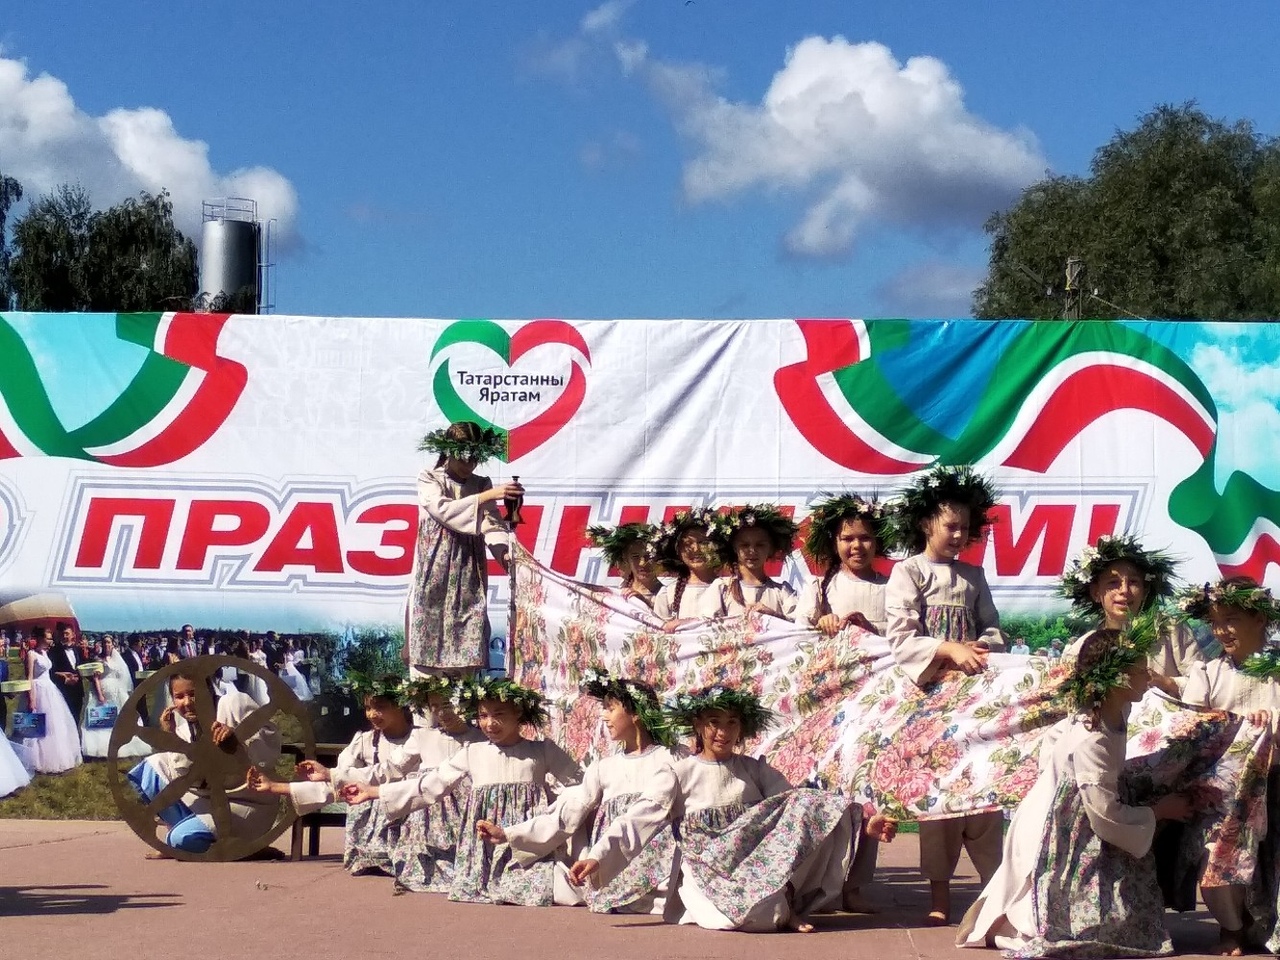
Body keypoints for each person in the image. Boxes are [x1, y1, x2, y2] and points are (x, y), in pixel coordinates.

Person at [957, 627, 1193, 956]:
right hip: (1063, 823)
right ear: (1118, 680)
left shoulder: (1112, 709)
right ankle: (1015, 926)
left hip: (1079, 808)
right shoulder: (1093, 738)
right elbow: (1104, 811)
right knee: (1076, 919)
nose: (1149, 675)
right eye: (1141, 670)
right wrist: (1158, 810)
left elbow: (1056, 742)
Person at [606, 684, 895, 932]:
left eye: (732, 723)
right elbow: (639, 815)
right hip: (708, 869)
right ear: (698, 725)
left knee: (809, 803)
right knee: (743, 917)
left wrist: (861, 822)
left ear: (742, 728)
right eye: (714, 722)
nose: (723, 732)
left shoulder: (753, 770)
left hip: (756, 866)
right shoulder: (679, 773)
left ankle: (785, 898)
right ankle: (778, 907)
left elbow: (799, 806)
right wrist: (598, 857)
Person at [885, 465, 1005, 926]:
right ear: (926, 524)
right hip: (929, 698)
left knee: (983, 786)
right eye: (950, 526)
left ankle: (993, 889)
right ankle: (940, 895)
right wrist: (948, 649)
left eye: (964, 528)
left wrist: (982, 646)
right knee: (938, 795)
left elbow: (992, 628)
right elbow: (901, 637)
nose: (958, 535)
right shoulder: (908, 572)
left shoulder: (974, 576)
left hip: (972, 697)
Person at [343, 677, 583, 905]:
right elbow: (430, 785)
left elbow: (580, 784)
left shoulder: (541, 751)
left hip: (528, 842)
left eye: (499, 714)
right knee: (495, 886)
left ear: (518, 712)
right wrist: (374, 792)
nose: (490, 723)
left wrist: (555, 814)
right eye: (483, 716)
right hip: (485, 846)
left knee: (551, 887)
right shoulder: (473, 751)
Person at [481, 670, 681, 914]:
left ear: (636, 713)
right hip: (612, 861)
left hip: (657, 862)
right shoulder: (604, 767)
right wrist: (509, 833)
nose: (604, 716)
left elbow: (657, 810)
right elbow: (568, 812)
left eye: (610, 709)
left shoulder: (671, 757)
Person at [1174, 577, 1280, 956]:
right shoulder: (1207, 673)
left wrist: (1272, 723)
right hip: (1222, 792)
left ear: (1259, 619)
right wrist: (1227, 722)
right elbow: (1188, 725)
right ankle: (1230, 926)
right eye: (1216, 622)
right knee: (1216, 852)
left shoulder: (1277, 669)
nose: (1221, 630)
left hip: (1275, 783)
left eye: (1231, 619)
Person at [246, 672, 424, 877]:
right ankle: (372, 854)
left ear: (400, 705)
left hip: (411, 808)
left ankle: (405, 855)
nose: (372, 714)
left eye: (380, 707)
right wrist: (276, 786)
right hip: (375, 809)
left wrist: (330, 774)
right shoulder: (365, 741)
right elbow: (339, 783)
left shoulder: (419, 738)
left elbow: (388, 771)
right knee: (355, 790)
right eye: (368, 708)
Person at [126, 673, 282, 856]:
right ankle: (185, 832)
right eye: (179, 697)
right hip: (208, 800)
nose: (187, 702)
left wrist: (236, 738)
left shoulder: (233, 704)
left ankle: (247, 847)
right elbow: (187, 774)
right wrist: (171, 737)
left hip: (245, 802)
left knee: (180, 839)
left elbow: (269, 748)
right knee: (150, 767)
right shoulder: (184, 728)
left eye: (193, 694)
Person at [405, 421, 517, 676]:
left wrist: (504, 554)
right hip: (434, 573)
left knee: (468, 632)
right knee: (427, 643)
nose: (469, 465)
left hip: (468, 575)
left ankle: (463, 692)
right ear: (449, 451)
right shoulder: (429, 478)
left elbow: (492, 524)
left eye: (475, 459)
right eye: (464, 457)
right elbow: (443, 510)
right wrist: (488, 496)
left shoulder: (480, 483)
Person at [1056, 535, 1191, 682]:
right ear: (1096, 593)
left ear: (1145, 590)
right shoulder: (1081, 649)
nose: (1124, 590)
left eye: (1133, 582)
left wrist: (1167, 683)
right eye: (1113, 582)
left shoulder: (1170, 630)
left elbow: (1202, 681)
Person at [795, 494, 894, 636]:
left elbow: (906, 631)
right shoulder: (819, 587)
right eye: (847, 539)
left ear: (877, 543)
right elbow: (799, 633)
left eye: (865, 538)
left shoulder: (893, 587)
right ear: (834, 545)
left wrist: (872, 628)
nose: (857, 545)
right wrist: (822, 623)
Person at [700, 505, 799, 621]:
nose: (752, 551)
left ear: (771, 549)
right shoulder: (722, 588)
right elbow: (706, 625)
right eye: (745, 545)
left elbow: (800, 625)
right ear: (734, 548)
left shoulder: (782, 592)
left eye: (760, 545)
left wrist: (774, 616)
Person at [22, 629, 83, 774]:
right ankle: (36, 759)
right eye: (48, 638)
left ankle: (55, 757)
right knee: (37, 725)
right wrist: (31, 698)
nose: (50, 641)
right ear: (40, 638)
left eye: (51, 638)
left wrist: (64, 674)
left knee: (54, 724)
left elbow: (48, 672)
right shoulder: (31, 654)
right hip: (38, 689)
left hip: (50, 689)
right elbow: (29, 677)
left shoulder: (45, 653)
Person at [651, 509, 723, 629]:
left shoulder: (726, 588)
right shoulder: (668, 593)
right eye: (688, 544)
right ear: (678, 551)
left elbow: (739, 625)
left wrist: (690, 622)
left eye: (703, 542)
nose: (696, 549)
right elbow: (658, 633)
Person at [81, 636, 149, 759]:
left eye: (108, 642)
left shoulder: (118, 659)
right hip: (103, 690)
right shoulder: (97, 659)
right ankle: (102, 747)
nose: (106, 644)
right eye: (104, 642)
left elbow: (123, 675)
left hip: (117, 692)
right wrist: (100, 694)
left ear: (112, 644)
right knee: (103, 719)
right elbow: (95, 678)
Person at [587, 522, 665, 612]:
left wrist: (644, 604)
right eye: (635, 557)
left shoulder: (668, 595)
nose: (642, 563)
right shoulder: (618, 589)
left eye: (649, 556)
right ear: (626, 558)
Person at [46, 623, 84, 728]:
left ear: (73, 635)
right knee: (63, 720)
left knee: (76, 718)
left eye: (67, 634)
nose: (65, 636)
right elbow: (50, 672)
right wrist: (64, 679)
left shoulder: (78, 650)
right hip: (62, 691)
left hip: (77, 691)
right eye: (63, 634)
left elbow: (83, 666)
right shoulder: (54, 651)